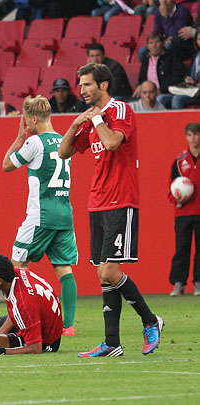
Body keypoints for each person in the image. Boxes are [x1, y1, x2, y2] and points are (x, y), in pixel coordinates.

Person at [58, 62, 164, 357]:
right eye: (80, 85)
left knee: (109, 270)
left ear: (103, 85)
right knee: (103, 275)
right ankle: (112, 343)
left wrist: (95, 120)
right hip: (97, 202)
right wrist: (75, 125)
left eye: (87, 84)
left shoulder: (120, 110)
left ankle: (150, 320)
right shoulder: (91, 118)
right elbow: (64, 152)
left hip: (121, 199)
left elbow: (113, 142)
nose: (81, 90)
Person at [1, 95, 78, 335]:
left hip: (40, 216)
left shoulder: (35, 142)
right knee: (64, 269)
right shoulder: (64, 139)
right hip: (64, 214)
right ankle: (68, 325)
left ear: (33, 118)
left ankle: (19, 319)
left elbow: (6, 165)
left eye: (26, 120)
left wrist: (18, 140)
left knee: (17, 266)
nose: (26, 124)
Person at [167, 122, 200, 296]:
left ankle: (198, 284)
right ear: (186, 137)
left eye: (196, 134)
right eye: (189, 135)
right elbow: (172, 187)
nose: (193, 138)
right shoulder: (180, 162)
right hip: (183, 212)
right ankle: (178, 284)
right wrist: (178, 199)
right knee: (181, 248)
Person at [158, 30, 200, 110]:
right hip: (191, 91)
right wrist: (188, 80)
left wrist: (197, 84)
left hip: (198, 94)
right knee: (160, 98)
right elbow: (188, 74)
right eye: (199, 39)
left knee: (177, 99)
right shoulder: (196, 56)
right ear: (196, 41)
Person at [135, 33, 185, 98]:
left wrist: (161, 90)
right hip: (149, 94)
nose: (154, 46)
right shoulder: (146, 60)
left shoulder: (172, 57)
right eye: (151, 43)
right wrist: (140, 85)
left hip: (167, 93)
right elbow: (142, 79)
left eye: (157, 42)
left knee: (160, 99)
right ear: (147, 46)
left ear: (163, 43)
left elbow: (177, 79)